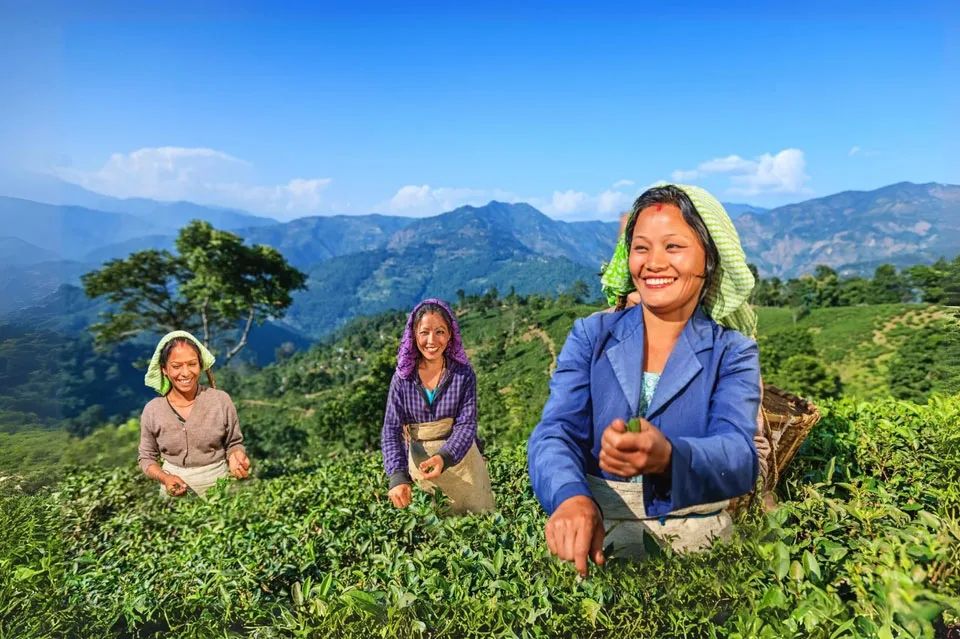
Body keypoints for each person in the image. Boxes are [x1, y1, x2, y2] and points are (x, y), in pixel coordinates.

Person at [527, 184, 761, 577]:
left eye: (673, 247)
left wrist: (669, 456)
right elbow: (555, 432)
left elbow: (739, 457)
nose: (654, 262)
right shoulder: (591, 335)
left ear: (710, 260)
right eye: (641, 247)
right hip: (596, 544)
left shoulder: (732, 352)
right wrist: (570, 498)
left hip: (696, 554)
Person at [381, 299, 495, 515]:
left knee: (479, 526)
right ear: (414, 335)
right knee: (435, 535)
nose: (432, 340)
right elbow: (391, 429)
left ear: (450, 335)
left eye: (440, 332)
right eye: (424, 332)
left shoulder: (463, 375)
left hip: (462, 464)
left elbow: (466, 424)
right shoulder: (403, 379)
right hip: (421, 467)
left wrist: (444, 457)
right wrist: (397, 476)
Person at [138, 330, 252, 497]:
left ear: (200, 365)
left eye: (192, 364)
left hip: (220, 492)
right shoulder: (153, 410)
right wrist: (165, 478)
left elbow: (234, 442)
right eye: (176, 366)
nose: (185, 373)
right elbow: (146, 458)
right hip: (173, 494)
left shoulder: (220, 400)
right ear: (164, 369)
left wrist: (237, 456)